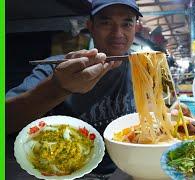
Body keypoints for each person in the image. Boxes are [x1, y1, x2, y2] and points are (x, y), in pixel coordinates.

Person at [6, 0, 143, 177]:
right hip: (65, 172)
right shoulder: (58, 67)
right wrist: (57, 88)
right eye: (106, 23)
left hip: (127, 170)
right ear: (90, 26)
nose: (118, 33)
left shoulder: (141, 68)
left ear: (135, 28)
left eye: (127, 23)